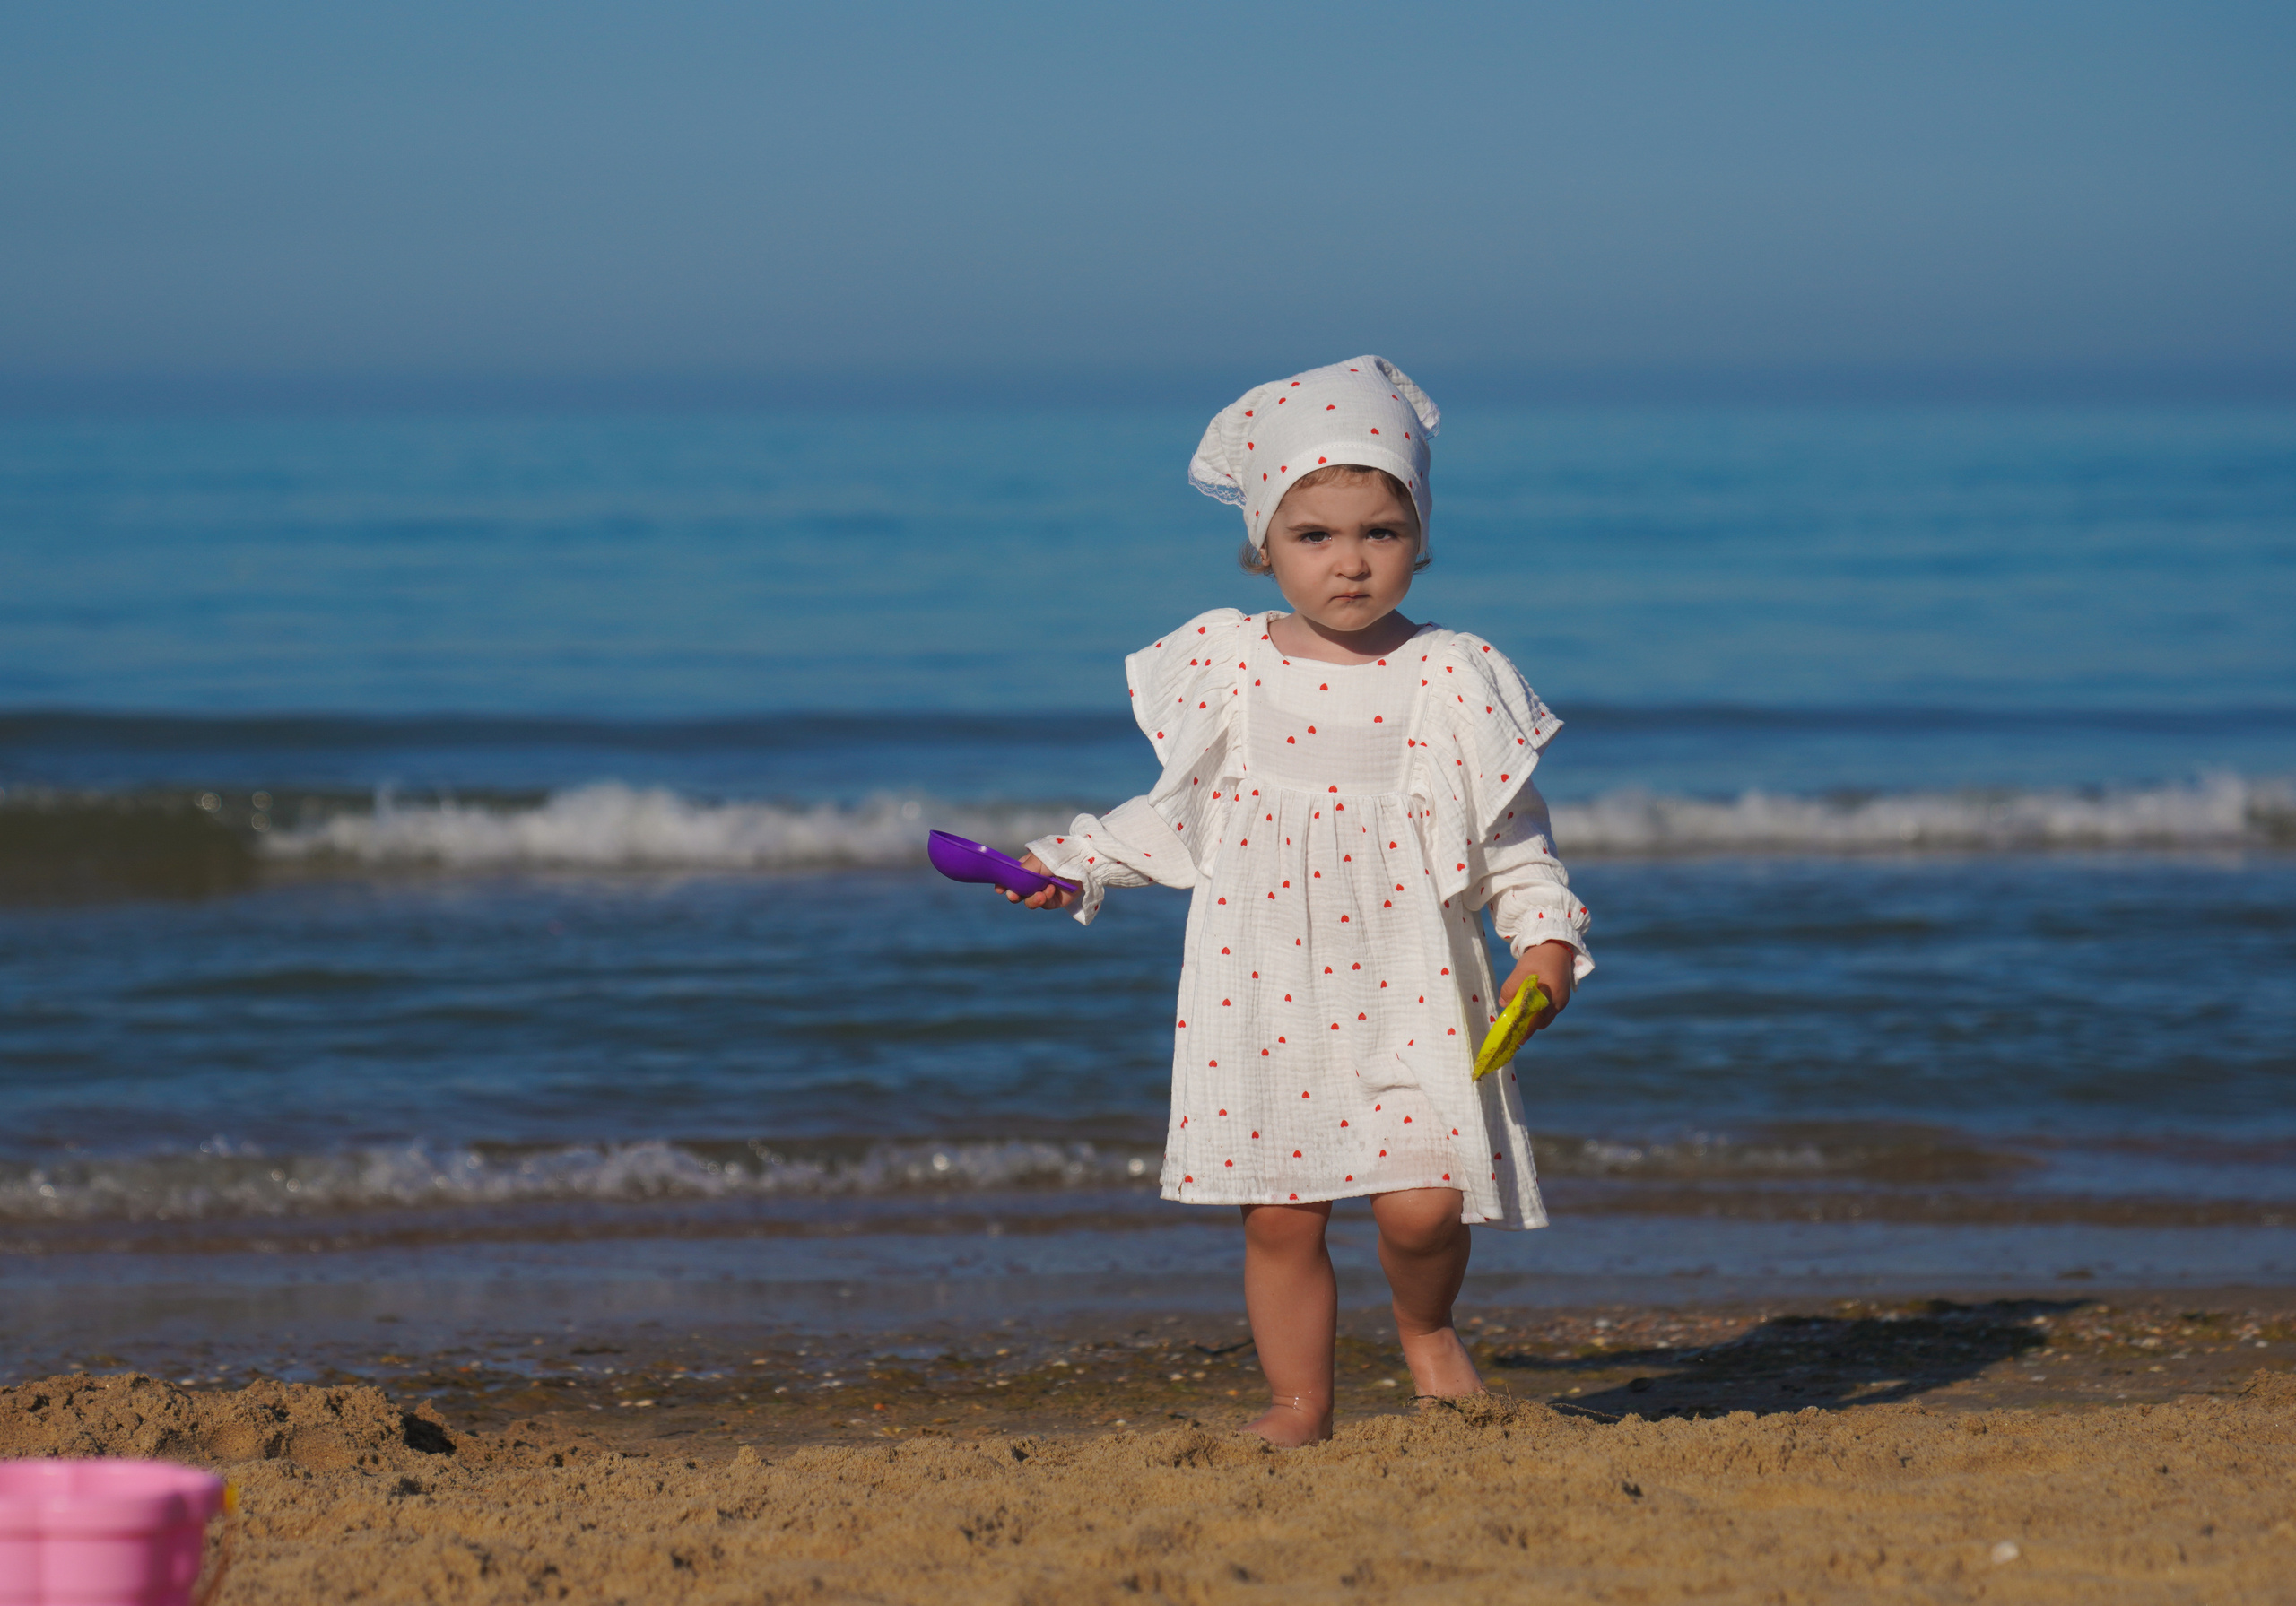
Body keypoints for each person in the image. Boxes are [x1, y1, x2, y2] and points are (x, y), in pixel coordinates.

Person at [1003, 356, 1593, 1445]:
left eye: (1381, 532)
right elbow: (1178, 815)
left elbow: (1510, 837)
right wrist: (1073, 864)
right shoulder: (1231, 664)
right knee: (1281, 1214)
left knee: (1424, 1205)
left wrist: (1545, 941)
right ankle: (1297, 1402)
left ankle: (1427, 1330)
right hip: (1263, 977)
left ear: (1419, 537)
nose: (1351, 562)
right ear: (1263, 545)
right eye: (1314, 535)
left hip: (1412, 975)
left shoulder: (1451, 673)